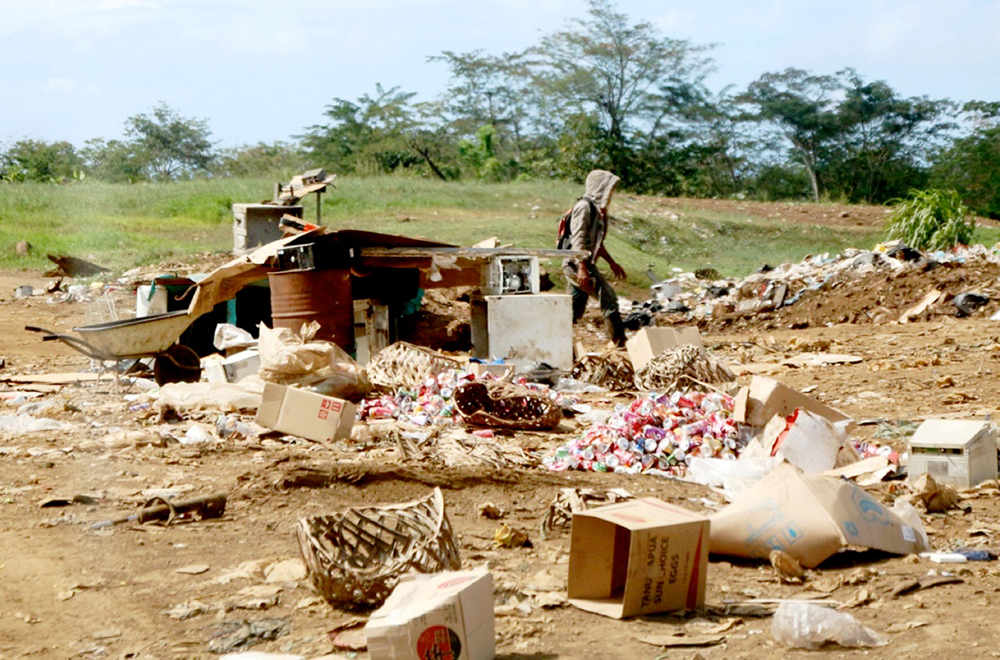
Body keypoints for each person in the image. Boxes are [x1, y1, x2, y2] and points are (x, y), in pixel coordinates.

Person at [561, 169, 627, 346]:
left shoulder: (597, 211)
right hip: (577, 264)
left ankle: (557, 340)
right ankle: (619, 342)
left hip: (582, 263)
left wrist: (612, 263)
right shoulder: (584, 207)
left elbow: (597, 244)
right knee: (608, 296)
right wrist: (582, 268)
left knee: (574, 310)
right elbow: (579, 239)